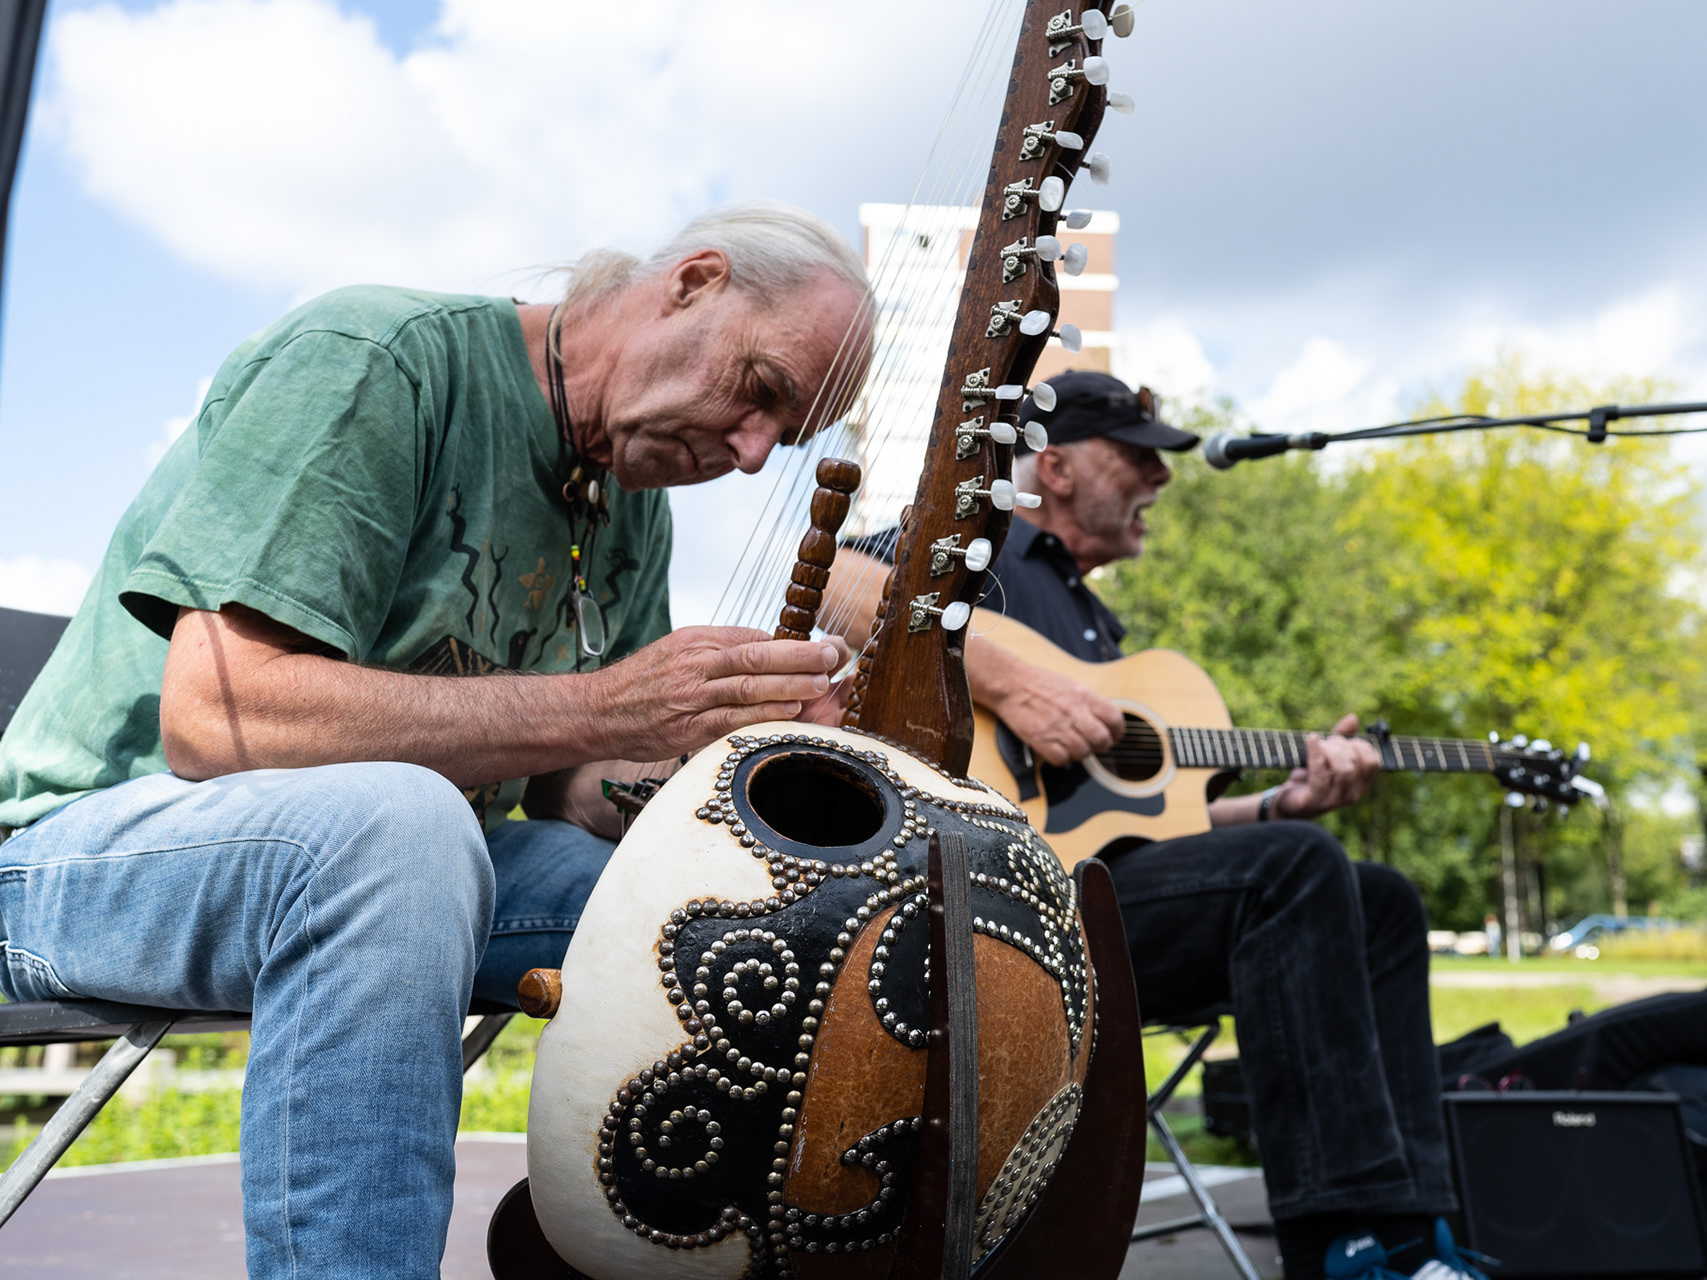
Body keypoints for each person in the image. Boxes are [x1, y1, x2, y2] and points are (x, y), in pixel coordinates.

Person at [0, 202, 872, 1278]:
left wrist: (733, 752)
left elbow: (572, 795)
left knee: (758, 913)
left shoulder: (634, 504)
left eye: (782, 440)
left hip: (414, 864)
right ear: (693, 281)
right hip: (77, 859)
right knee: (400, 825)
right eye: (763, 392)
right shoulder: (381, 360)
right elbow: (218, 716)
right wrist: (611, 703)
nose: (750, 456)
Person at [834, 371, 1477, 1280]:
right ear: (1052, 467)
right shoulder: (987, 543)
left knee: (1380, 899)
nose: (1163, 479)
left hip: (1108, 902)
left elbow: (1152, 825)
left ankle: (1416, 1232)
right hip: (999, 903)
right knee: (1295, 868)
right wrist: (1014, 684)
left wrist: (1277, 808)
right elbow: (833, 583)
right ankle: (1343, 1244)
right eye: (1139, 457)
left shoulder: (1098, 622)